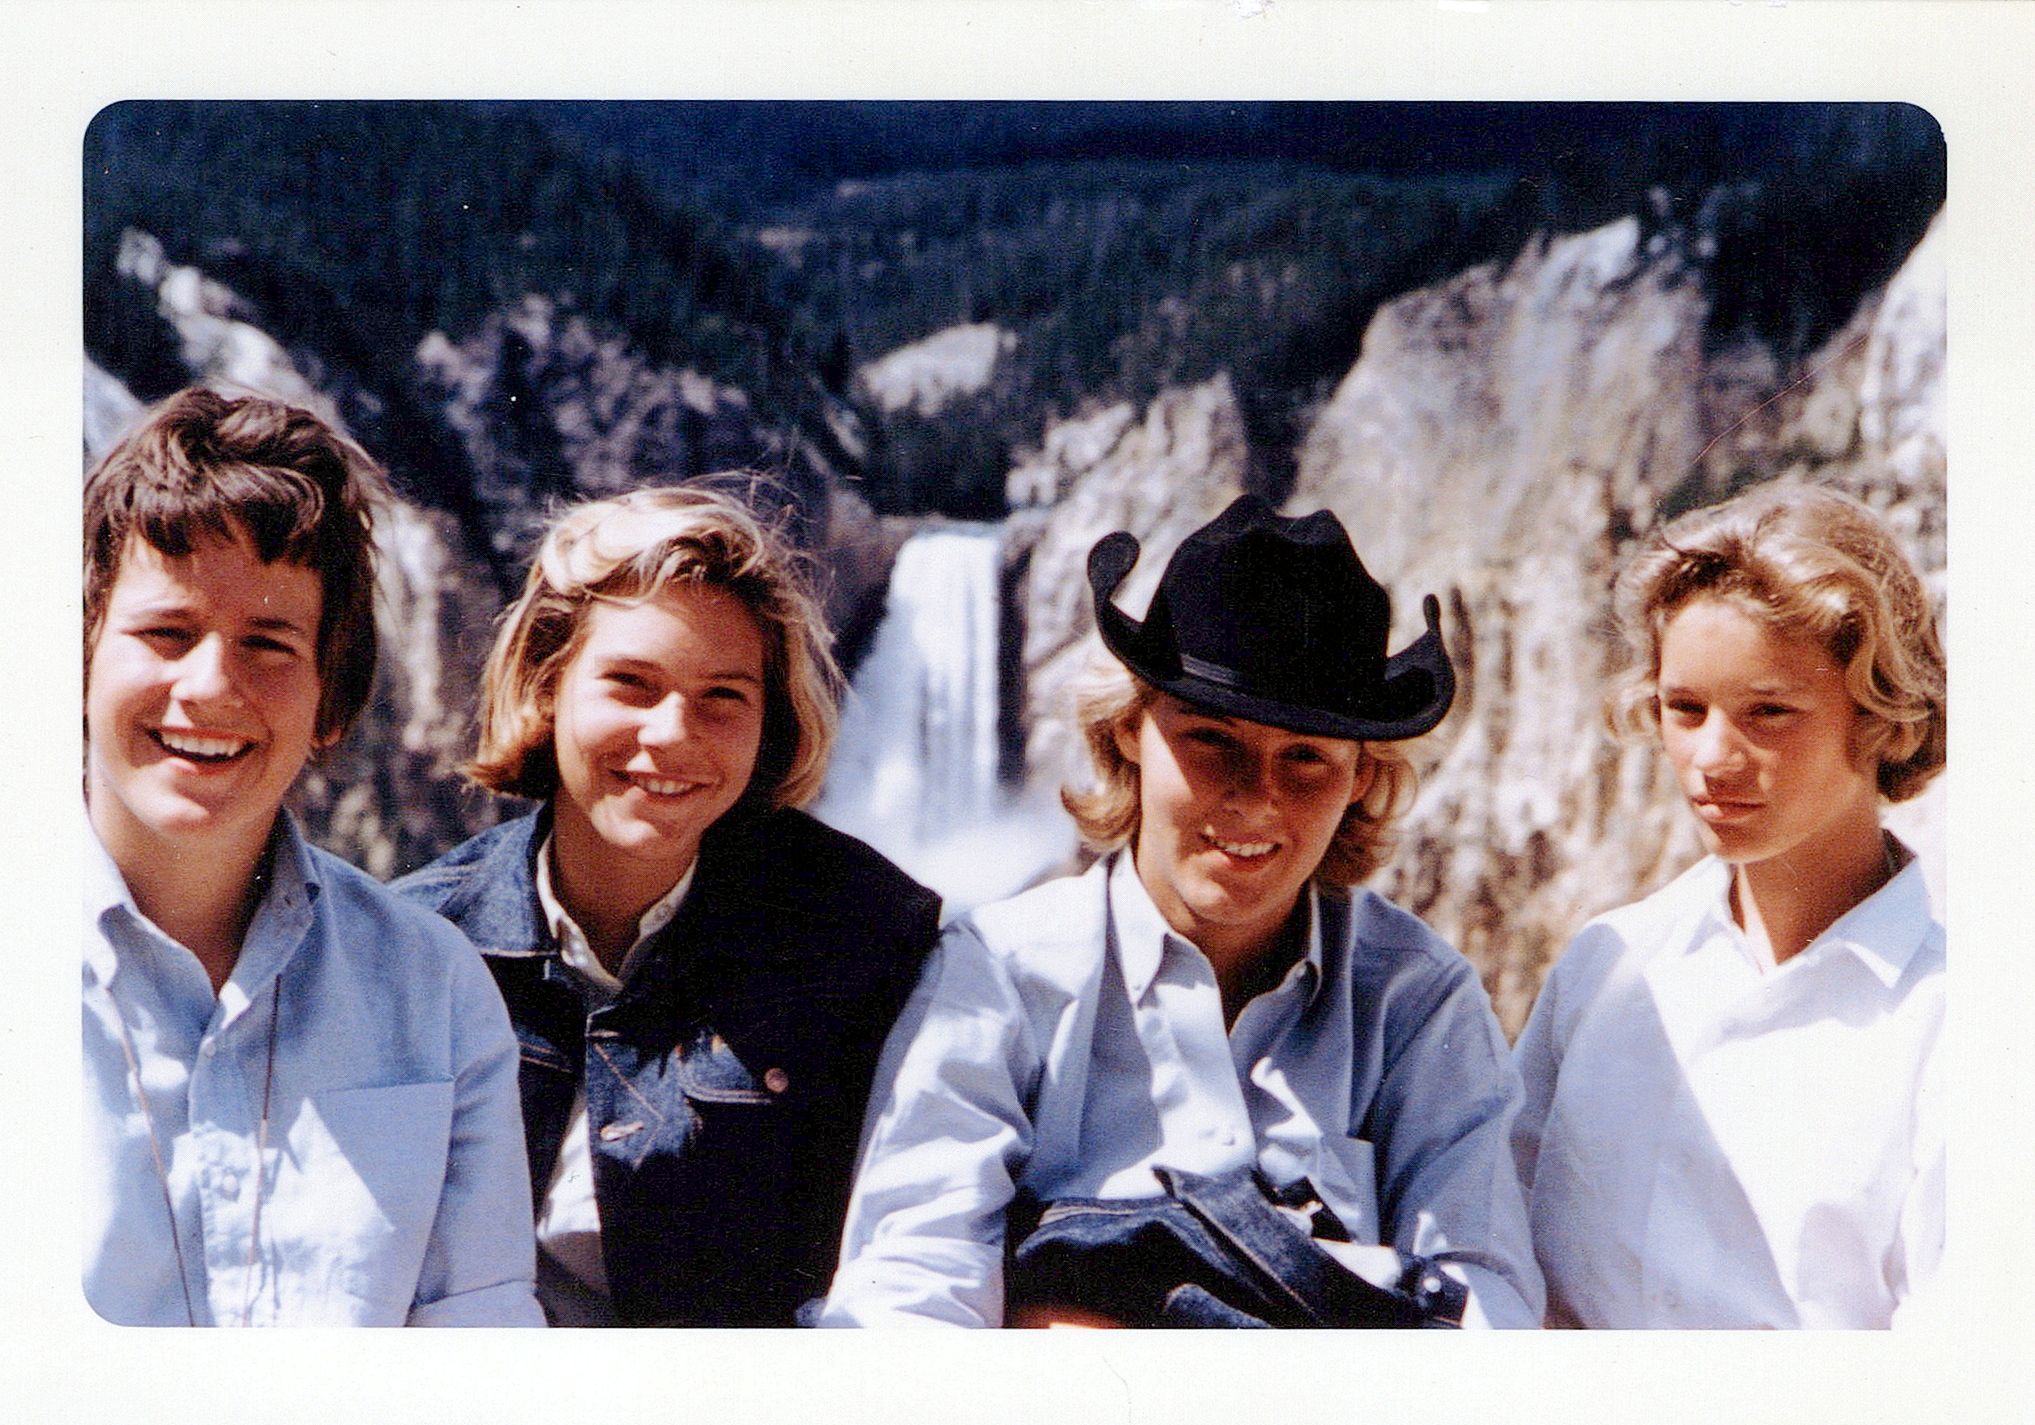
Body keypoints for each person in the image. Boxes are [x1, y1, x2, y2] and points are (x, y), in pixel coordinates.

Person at [821, 494, 1542, 1328]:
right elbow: (910, 1277)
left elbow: (1487, 1298)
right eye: (1210, 739)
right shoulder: (999, 974)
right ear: (1129, 728)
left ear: (1360, 778)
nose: (1256, 797)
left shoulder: (1417, 1000)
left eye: (1305, 757)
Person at [393, 484, 941, 1327]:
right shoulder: (413, 949)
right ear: (547, 683)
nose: (674, 733)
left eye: (723, 695)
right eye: (631, 683)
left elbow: (913, 1250)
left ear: (770, 718)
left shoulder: (870, 941)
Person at [83, 388, 542, 1326]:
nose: (211, 685)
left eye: (269, 642)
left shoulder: (433, 991)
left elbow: (480, 1349)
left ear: (331, 701)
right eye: (166, 632)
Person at [1511, 483, 1945, 1328]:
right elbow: (1500, 1259)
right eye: (1683, 708)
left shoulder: (1953, 1020)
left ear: (1879, 715)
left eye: (1767, 711)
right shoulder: (1607, 966)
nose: (1711, 756)